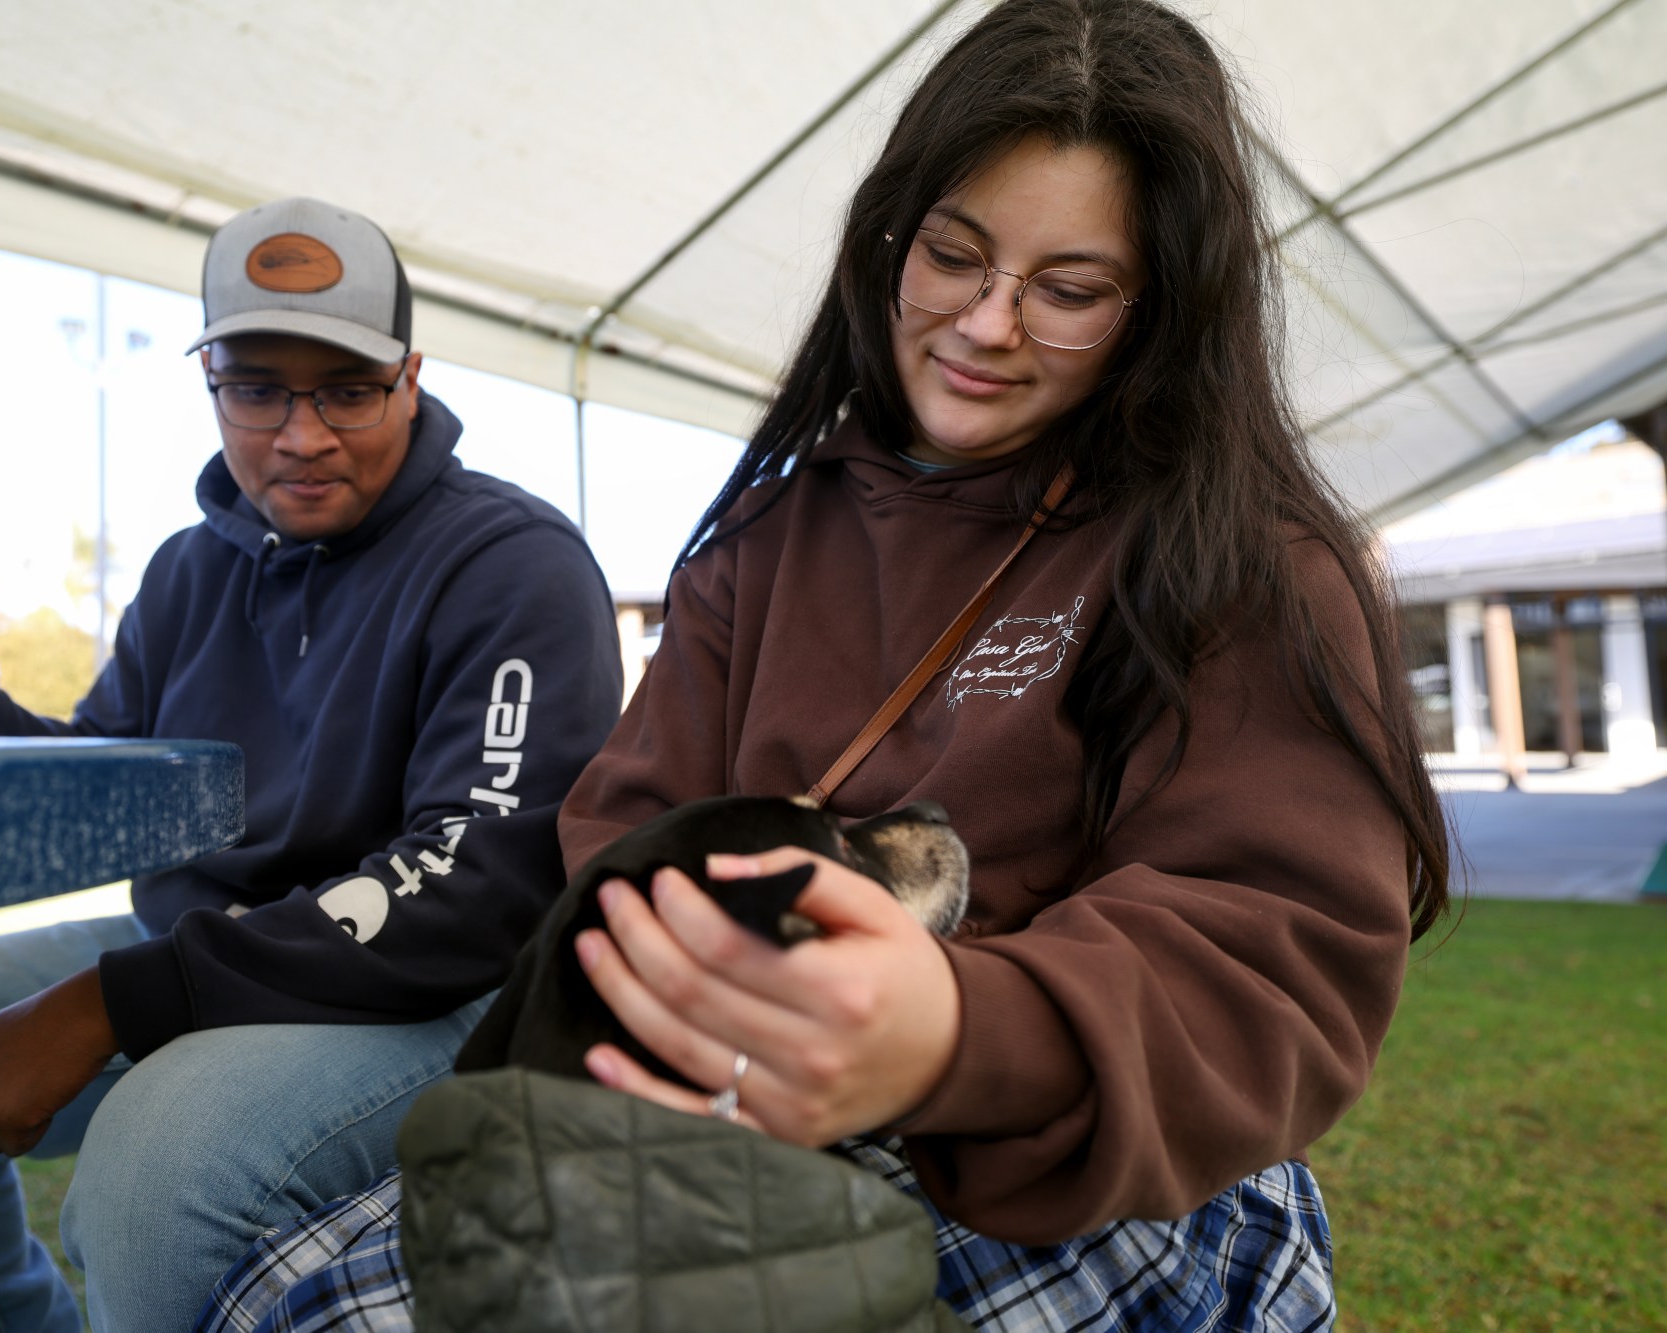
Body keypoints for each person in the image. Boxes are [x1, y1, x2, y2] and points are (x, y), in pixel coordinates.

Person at [195, 2, 1452, 1329]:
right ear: (887, 241)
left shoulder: (1248, 558)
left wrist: (957, 1026)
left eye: (1070, 291)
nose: (987, 323)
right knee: (286, 1307)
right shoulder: (766, 536)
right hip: (710, 1103)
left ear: (1165, 308)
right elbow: (626, 820)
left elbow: (1264, 953)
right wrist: (726, 968)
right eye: (953, 257)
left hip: (1068, 1162)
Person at [0, 197, 625, 1332]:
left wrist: (116, 1003)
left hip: (443, 989)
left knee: (151, 1173)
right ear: (212, 381)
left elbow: (475, 890)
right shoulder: (189, 568)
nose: (301, 433)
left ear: (411, 379)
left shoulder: (511, 563)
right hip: (207, 954)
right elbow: (106, 797)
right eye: (257, 386)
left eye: (347, 388)